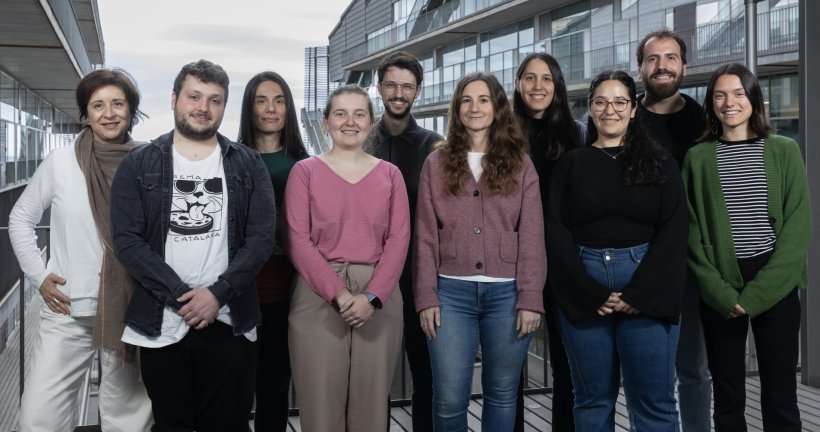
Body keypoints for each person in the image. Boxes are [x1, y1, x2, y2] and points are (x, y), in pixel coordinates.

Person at [111, 59, 276, 432]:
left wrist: (217, 294)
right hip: (162, 321)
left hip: (230, 319)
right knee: (172, 425)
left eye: (215, 100)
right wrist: (183, 296)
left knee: (230, 425)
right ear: (174, 99)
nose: (203, 107)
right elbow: (127, 241)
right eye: (194, 96)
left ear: (224, 107)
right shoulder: (138, 164)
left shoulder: (248, 164)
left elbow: (262, 238)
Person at [8, 68, 153, 432]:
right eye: (98, 105)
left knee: (127, 422)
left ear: (130, 111)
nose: (109, 113)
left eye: (118, 104)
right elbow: (20, 219)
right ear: (85, 113)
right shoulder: (61, 161)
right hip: (68, 310)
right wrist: (39, 277)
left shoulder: (149, 161)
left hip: (127, 312)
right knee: (38, 419)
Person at [548, 70, 687, 431]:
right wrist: (589, 292)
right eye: (601, 102)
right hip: (584, 279)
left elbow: (674, 230)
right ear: (590, 109)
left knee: (654, 403)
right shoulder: (571, 164)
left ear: (634, 108)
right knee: (592, 402)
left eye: (620, 101)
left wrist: (638, 294)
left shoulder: (660, 162)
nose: (610, 110)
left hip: (647, 280)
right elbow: (556, 233)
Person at [414, 71, 546, 432]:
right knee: (449, 399)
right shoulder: (435, 164)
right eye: (467, 100)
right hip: (449, 294)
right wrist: (426, 296)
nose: (475, 107)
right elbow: (424, 235)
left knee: (502, 394)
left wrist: (531, 298)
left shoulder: (520, 163)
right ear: (456, 109)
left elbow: (532, 234)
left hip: (507, 294)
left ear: (498, 107)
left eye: (484, 99)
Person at [682, 62, 809, 432]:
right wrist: (718, 292)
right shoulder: (697, 158)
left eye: (738, 93)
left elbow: (798, 227)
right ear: (711, 104)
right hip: (721, 282)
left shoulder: (784, 150)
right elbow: (691, 233)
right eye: (720, 95)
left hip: (775, 280)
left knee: (781, 392)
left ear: (754, 98)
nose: (729, 102)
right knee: (727, 394)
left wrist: (757, 295)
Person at [285, 84, 410, 432]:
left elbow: (400, 239)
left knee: (371, 409)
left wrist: (372, 296)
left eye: (359, 114)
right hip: (317, 294)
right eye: (340, 113)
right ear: (325, 122)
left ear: (371, 123)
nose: (349, 122)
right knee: (320, 406)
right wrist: (339, 294)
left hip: (378, 295)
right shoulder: (305, 172)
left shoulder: (390, 175)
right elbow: (297, 239)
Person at [635, 29, 710, 432]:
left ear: (684, 65)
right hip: (638, 260)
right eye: (652, 58)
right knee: (648, 372)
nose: (661, 65)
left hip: (693, 263)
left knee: (694, 369)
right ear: (641, 67)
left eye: (670, 57)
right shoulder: (626, 116)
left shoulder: (704, 120)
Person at [368, 50, 443, 432]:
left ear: (418, 91)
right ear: (380, 88)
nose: (399, 93)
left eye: (407, 86)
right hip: (368, 273)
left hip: (419, 275)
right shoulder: (360, 142)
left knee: (425, 372)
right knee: (371, 378)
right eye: (392, 85)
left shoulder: (436, 146)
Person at [512, 52, 586, 432]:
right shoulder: (502, 133)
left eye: (546, 79)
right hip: (512, 260)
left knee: (566, 367)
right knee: (509, 373)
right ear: (518, 84)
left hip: (562, 259)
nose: (537, 86)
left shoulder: (577, 133)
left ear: (557, 86)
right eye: (529, 77)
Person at [237, 71, 308, 432]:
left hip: (289, 291)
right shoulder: (230, 160)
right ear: (249, 108)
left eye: (279, 100)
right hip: (238, 289)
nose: (270, 109)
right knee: (235, 390)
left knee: (275, 387)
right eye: (261, 100)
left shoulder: (304, 165)